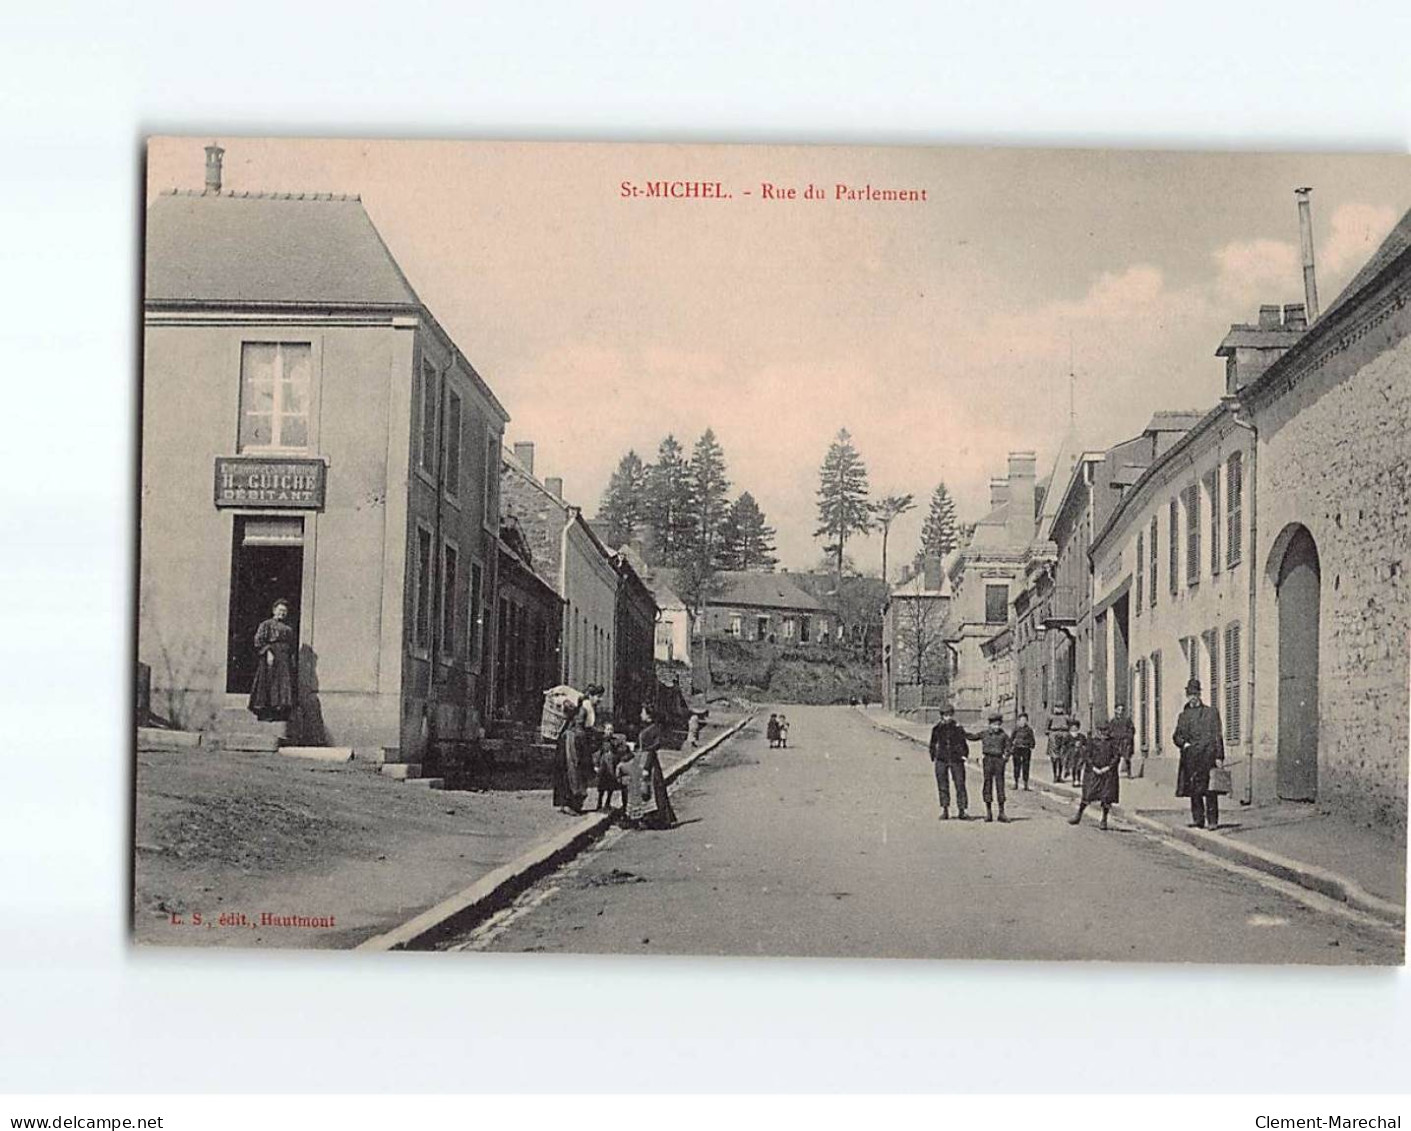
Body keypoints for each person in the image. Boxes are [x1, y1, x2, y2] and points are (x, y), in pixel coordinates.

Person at [1174, 678, 1226, 830]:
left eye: (1195, 694)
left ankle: (1212, 821)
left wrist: (1219, 756)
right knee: (1194, 791)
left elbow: (1218, 736)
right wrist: (1184, 744)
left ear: (1200, 694)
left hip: (1208, 756)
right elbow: (1176, 736)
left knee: (1210, 790)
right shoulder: (1183, 716)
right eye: (1190, 694)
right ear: (1187, 696)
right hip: (1191, 758)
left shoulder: (1211, 713)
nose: (1193, 697)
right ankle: (1198, 819)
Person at [622, 706, 677, 829]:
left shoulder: (652, 730)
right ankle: (647, 818)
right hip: (643, 759)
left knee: (651, 789)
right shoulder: (648, 728)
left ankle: (657, 819)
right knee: (645, 789)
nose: (641, 714)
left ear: (649, 716)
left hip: (648, 762)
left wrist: (646, 767)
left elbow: (651, 749)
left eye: (643, 712)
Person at [248, 598, 297, 722]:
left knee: (282, 685)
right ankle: (265, 712)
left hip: (284, 659)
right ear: (274, 610)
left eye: (284, 611)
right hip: (271, 657)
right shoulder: (266, 624)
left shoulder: (288, 628)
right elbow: (258, 640)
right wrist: (268, 653)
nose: (282, 613)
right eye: (280, 610)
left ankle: (279, 711)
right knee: (268, 683)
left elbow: (291, 645)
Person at [1069, 720, 1119, 830]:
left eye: (1105, 730)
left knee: (1106, 797)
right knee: (1087, 795)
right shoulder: (1092, 742)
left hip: (1107, 774)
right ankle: (1078, 815)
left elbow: (1116, 757)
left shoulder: (1112, 742)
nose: (1103, 733)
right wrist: (1093, 767)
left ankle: (1104, 820)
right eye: (1101, 731)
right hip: (1093, 772)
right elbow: (1087, 755)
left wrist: (1108, 767)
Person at [928, 706, 970, 820]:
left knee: (960, 784)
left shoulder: (958, 728)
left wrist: (965, 755)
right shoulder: (937, 729)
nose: (948, 718)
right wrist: (933, 756)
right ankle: (945, 809)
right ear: (941, 716)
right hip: (941, 759)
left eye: (950, 715)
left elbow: (963, 743)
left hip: (956, 759)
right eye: (946, 715)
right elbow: (932, 743)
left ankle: (962, 810)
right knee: (942, 784)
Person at [969, 712, 1012, 823]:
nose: (996, 727)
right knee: (987, 784)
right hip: (987, 760)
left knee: (1000, 785)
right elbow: (973, 737)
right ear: (989, 724)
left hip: (998, 760)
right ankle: (988, 812)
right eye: (994, 724)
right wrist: (960, 732)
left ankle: (1001, 813)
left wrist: (1005, 757)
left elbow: (1009, 747)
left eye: (998, 724)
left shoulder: (1003, 735)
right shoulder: (984, 734)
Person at [594, 722, 628, 812]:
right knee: (601, 785)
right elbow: (598, 753)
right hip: (603, 765)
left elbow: (621, 751)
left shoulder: (615, 741)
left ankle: (607, 802)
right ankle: (599, 803)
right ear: (604, 730)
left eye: (611, 729)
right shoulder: (602, 741)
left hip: (612, 765)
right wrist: (596, 764)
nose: (610, 731)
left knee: (611, 785)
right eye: (608, 729)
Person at [1109, 702, 1137, 778]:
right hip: (1116, 742)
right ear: (1115, 710)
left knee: (1127, 758)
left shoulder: (1127, 720)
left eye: (1122, 710)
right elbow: (1110, 731)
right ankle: (1115, 774)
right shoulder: (1113, 721)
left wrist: (1128, 737)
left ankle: (1129, 773)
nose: (1120, 711)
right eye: (1118, 709)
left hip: (1125, 742)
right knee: (1116, 759)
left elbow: (1132, 730)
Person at [1011, 711, 1036, 791]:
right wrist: (1010, 747)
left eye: (1025, 720)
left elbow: (1032, 739)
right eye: (1021, 720)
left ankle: (1026, 784)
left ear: (1027, 721)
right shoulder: (1016, 729)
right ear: (1019, 721)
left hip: (1026, 749)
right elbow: (1011, 738)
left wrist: (1031, 745)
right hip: (1017, 749)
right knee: (1016, 766)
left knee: (1026, 766)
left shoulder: (1029, 730)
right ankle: (1016, 783)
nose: (1023, 722)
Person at [1064, 716, 1089, 786]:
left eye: (1076, 728)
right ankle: (1074, 779)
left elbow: (1086, 744)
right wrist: (1072, 744)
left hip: (1080, 754)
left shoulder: (1081, 736)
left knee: (1079, 767)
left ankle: (1078, 779)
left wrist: (1082, 746)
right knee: (1074, 767)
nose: (1074, 729)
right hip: (1071, 754)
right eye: (1072, 728)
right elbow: (1065, 745)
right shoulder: (1068, 736)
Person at [1046, 714, 1069, 783]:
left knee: (1062, 757)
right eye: (1057, 707)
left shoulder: (1066, 717)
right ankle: (1055, 775)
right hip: (1053, 737)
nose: (1059, 709)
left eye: (1060, 707)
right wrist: (1051, 734)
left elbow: (1070, 727)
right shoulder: (1051, 717)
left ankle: (1060, 775)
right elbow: (1046, 729)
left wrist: (1065, 734)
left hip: (1064, 737)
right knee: (1054, 758)